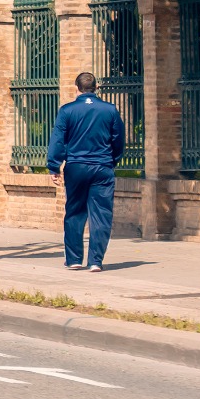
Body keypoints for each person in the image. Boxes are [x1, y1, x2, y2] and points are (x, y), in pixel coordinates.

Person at [47, 71, 126, 273]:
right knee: (101, 214)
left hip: (76, 167)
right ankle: (96, 261)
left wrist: (54, 166)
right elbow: (118, 139)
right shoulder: (110, 110)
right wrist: (112, 160)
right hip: (102, 166)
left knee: (75, 211)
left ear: (77, 88)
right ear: (96, 88)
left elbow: (58, 140)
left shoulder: (67, 111)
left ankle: (73, 259)